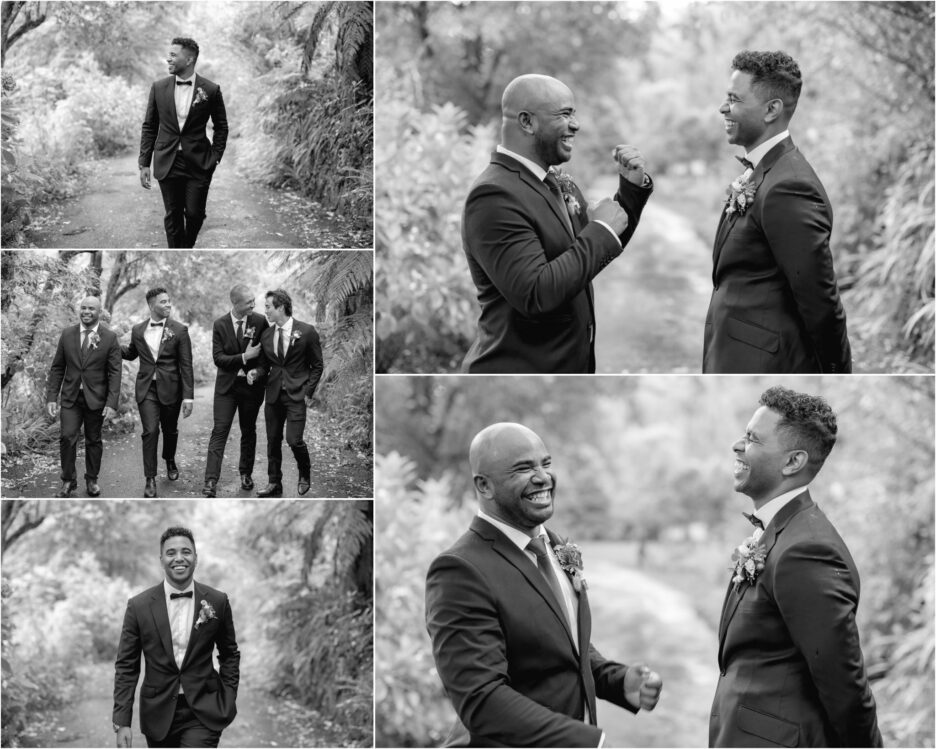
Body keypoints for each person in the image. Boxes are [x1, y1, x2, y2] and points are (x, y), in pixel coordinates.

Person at [426, 422, 663, 746]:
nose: (543, 477)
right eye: (524, 468)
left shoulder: (555, 546)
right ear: (484, 486)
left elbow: (561, 646)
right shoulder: (460, 570)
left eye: (546, 464)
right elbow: (481, 700)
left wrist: (617, 681)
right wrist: (588, 742)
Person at [710, 387, 881, 747]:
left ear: (792, 462)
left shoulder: (808, 549)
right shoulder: (780, 531)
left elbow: (843, 683)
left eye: (753, 439)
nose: (737, 446)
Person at [460, 73, 653, 374]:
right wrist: (600, 230)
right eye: (565, 114)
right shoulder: (493, 195)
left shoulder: (556, 182)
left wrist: (630, 191)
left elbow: (590, 254)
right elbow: (536, 293)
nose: (575, 124)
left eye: (573, 114)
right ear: (527, 122)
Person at [704, 50, 852, 373]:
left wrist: (839, 375)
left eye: (734, 99)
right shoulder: (764, 171)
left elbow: (820, 302)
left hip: (763, 363)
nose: (723, 108)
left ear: (772, 110)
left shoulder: (790, 187)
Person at [113, 526, 239, 748]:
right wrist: (122, 721)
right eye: (171, 553)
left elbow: (229, 654)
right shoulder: (138, 606)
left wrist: (228, 697)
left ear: (196, 558)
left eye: (186, 552)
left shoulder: (218, 601)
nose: (179, 558)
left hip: (204, 710)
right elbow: (126, 666)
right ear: (161, 559)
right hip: (158, 712)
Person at [139, 37, 228, 248]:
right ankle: (176, 250)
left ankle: (185, 247)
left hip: (199, 161)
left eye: (173, 55)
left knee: (196, 214)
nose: (167, 59)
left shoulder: (211, 90)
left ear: (189, 59)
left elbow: (221, 126)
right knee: (173, 215)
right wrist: (144, 162)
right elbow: (149, 126)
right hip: (167, 160)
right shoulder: (158, 87)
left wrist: (215, 156)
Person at [247, 289, 323, 497]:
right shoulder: (267, 334)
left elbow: (317, 365)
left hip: (297, 395)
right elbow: (264, 366)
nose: (266, 311)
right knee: (272, 440)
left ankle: (304, 474)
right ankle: (274, 483)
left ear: (281, 307)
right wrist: (255, 372)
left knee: (293, 439)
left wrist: (308, 391)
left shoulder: (306, 332)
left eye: (269, 307)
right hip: (273, 395)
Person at [45, 295, 122, 497]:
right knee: (67, 437)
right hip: (71, 397)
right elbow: (57, 368)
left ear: (99, 312)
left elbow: (115, 372)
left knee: (93, 440)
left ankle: (92, 480)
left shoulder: (110, 338)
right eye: (84, 308)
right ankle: (68, 481)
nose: (87, 312)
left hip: (96, 398)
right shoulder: (67, 334)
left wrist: (112, 403)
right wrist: (52, 397)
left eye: (92, 309)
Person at [122, 287, 194, 498]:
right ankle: (150, 478)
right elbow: (131, 353)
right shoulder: (137, 330)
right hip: (147, 389)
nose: (168, 305)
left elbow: (186, 365)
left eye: (169, 301)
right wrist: (111, 345)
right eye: (163, 302)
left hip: (172, 389)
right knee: (150, 431)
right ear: (151, 305)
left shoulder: (179, 330)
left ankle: (169, 459)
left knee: (170, 430)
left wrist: (188, 397)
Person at [202, 285, 269, 497]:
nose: (253, 304)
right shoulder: (220, 325)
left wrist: (256, 372)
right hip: (226, 389)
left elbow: (265, 358)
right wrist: (244, 357)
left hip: (251, 388)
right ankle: (211, 481)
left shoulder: (260, 322)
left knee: (248, 431)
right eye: (249, 301)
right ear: (235, 303)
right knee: (219, 430)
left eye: (253, 300)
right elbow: (218, 359)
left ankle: (246, 474)